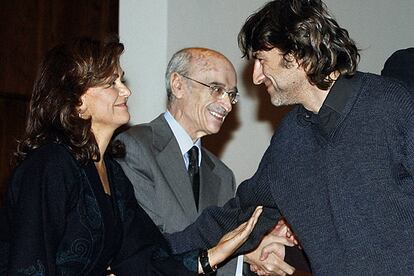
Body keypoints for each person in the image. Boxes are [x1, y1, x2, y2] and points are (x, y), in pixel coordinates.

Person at [166, 0, 414, 274]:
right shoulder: (289, 139)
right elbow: (239, 215)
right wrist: (147, 256)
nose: (257, 77)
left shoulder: (392, 106)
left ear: (297, 55)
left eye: (261, 60)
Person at [3, 37, 264, 275]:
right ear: (77, 102)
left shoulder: (112, 175)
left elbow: (142, 258)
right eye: (111, 84)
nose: (125, 91)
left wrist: (213, 255)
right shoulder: (51, 165)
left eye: (121, 80)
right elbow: (28, 264)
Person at [115, 47, 296, 275]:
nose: (228, 105)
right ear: (178, 84)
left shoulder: (222, 174)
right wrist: (241, 253)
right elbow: (146, 250)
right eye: (217, 89)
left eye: (231, 95)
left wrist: (253, 251)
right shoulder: (133, 147)